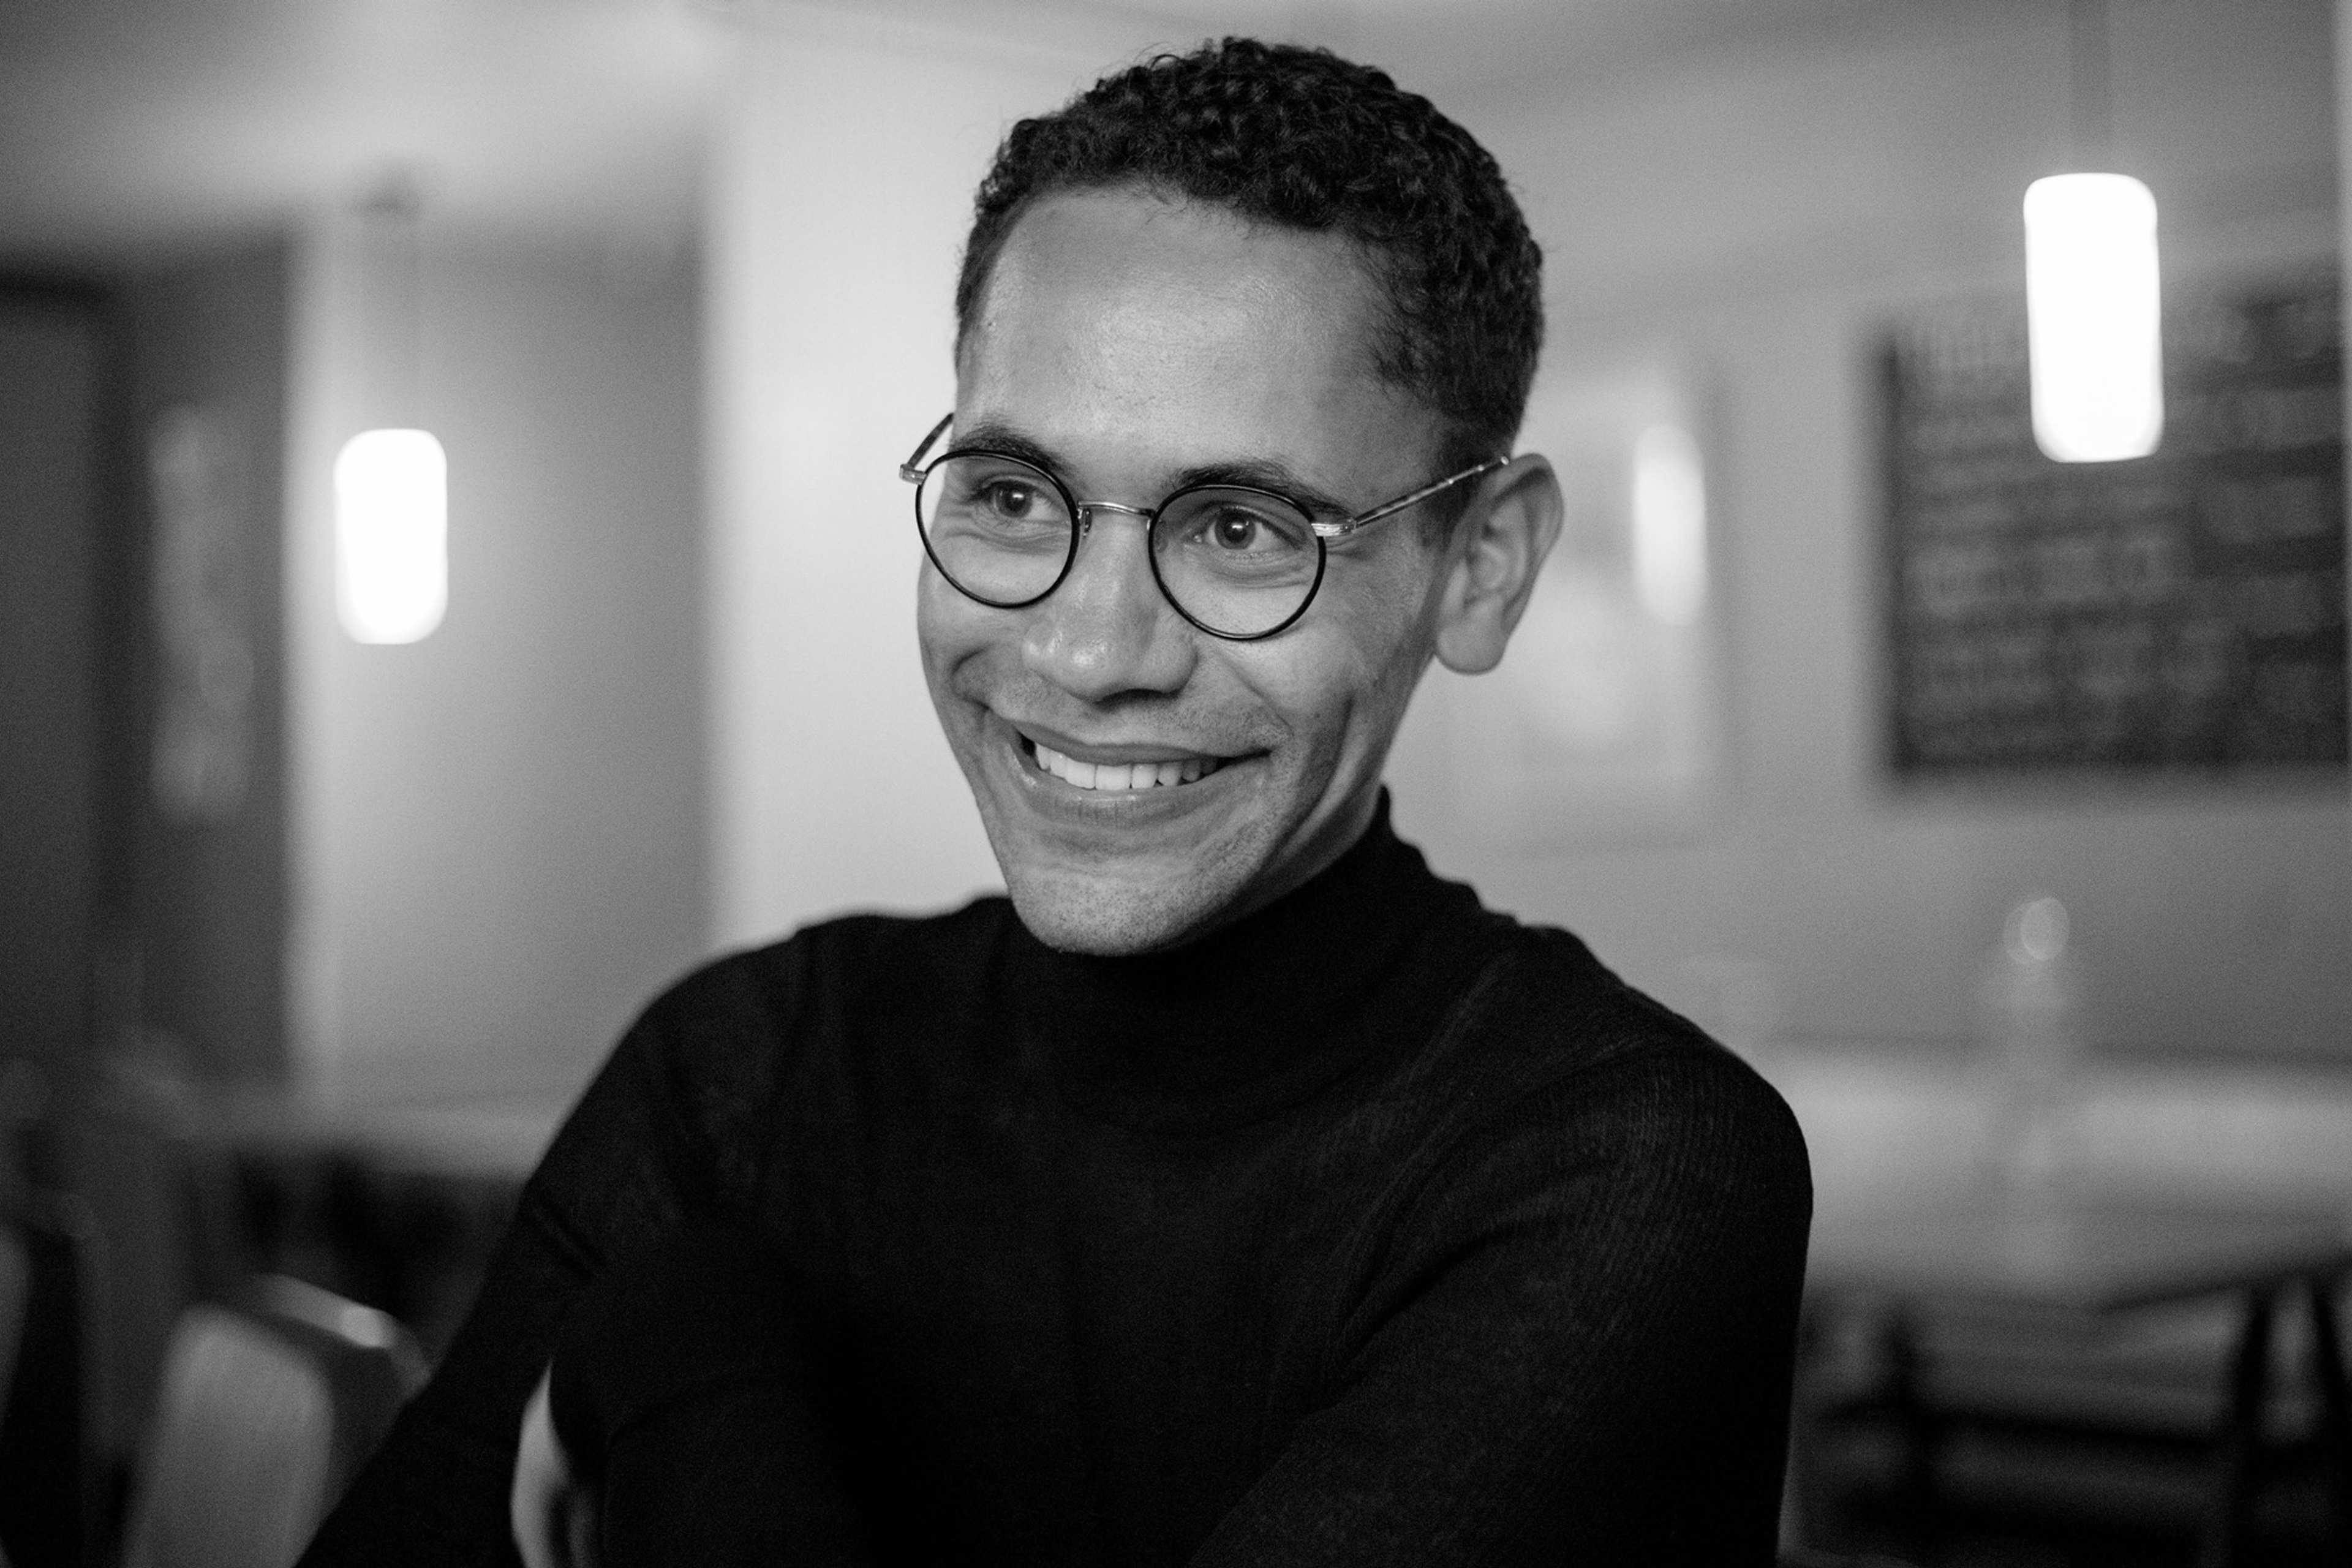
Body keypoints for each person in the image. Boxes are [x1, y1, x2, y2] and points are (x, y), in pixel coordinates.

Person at [298, 37, 1810, 1568]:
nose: (1088, 652)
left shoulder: (1626, 1169)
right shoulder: (743, 1073)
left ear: (1479, 566)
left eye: (1241, 526)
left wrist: (686, 1362)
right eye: (1014, 496)